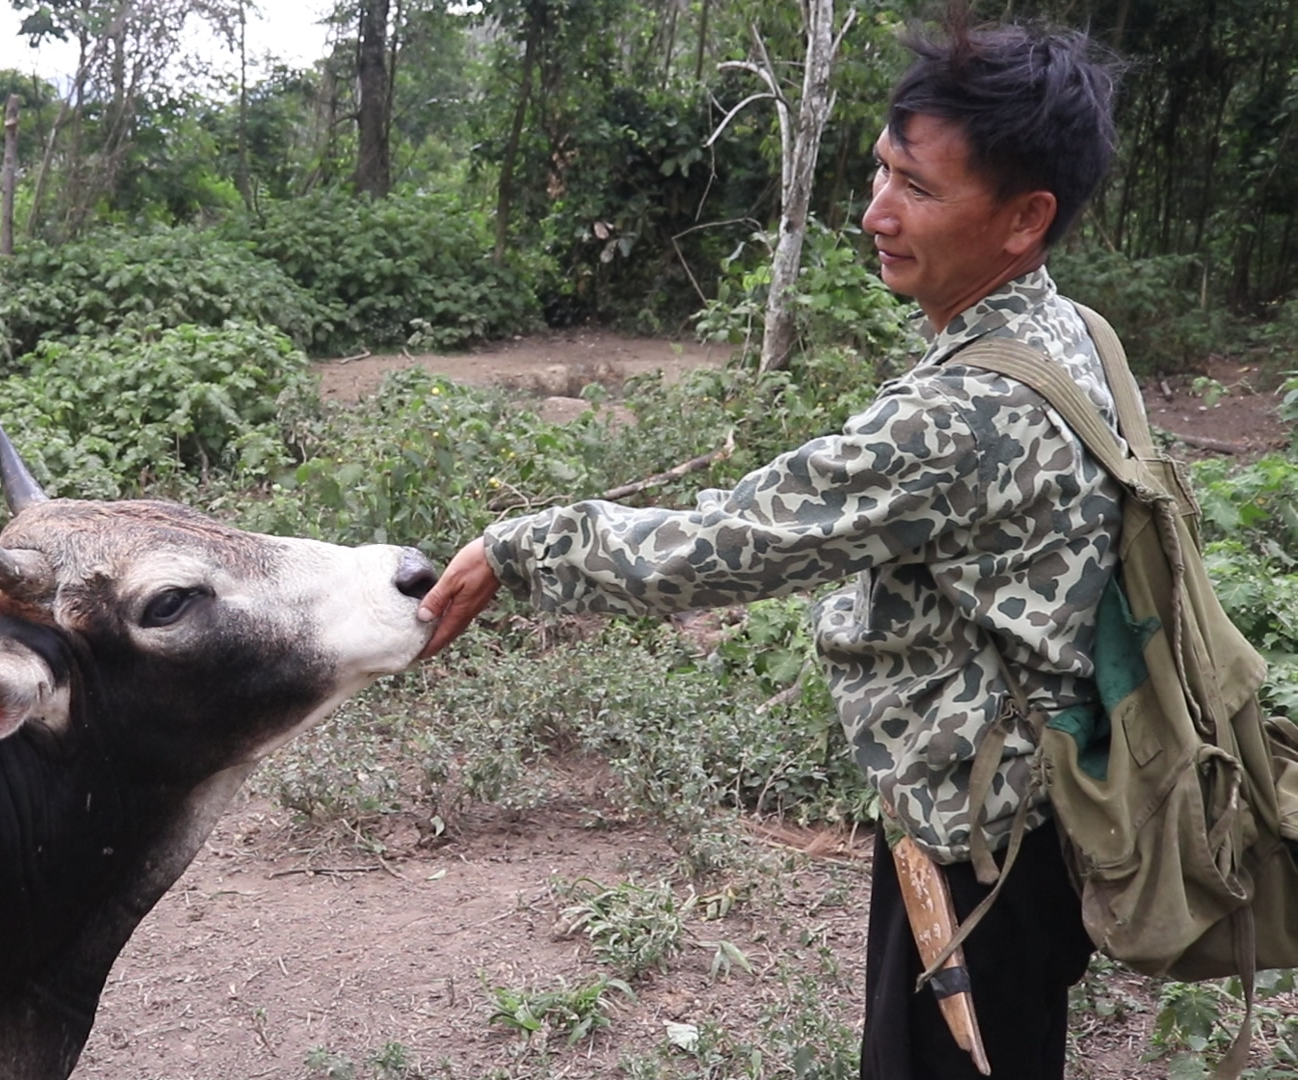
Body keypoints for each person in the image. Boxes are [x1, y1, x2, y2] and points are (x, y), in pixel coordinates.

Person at [416, 17, 1120, 1080]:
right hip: (1032, 815)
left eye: (919, 190)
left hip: (980, 852)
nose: (877, 214)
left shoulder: (964, 412)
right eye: (882, 171)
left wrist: (522, 548)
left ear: (1026, 219)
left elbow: (728, 542)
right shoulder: (1073, 334)